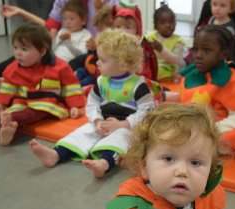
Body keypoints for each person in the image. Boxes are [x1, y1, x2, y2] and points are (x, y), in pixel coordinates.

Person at [96, 103, 227, 209]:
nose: (182, 171)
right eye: (169, 159)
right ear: (144, 166)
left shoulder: (209, 199)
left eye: (195, 162)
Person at [29, 29, 155, 178]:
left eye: (102, 60)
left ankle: (104, 163)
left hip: (128, 127)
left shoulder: (138, 86)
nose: (97, 62)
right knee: (83, 132)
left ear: (122, 64)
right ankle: (56, 154)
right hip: (104, 122)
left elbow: (146, 112)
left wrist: (123, 124)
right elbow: (92, 102)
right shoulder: (102, 81)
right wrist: (97, 120)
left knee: (121, 139)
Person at [0, 23, 86, 146]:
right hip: (22, 100)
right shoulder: (14, 67)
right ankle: (6, 131)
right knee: (9, 113)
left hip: (46, 102)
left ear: (42, 51)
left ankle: (10, 120)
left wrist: (75, 106)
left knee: (26, 115)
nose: (18, 53)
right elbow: (8, 86)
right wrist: (1, 104)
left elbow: (71, 87)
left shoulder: (59, 67)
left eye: (24, 49)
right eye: (15, 48)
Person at [178, 25, 235, 154]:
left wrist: (211, 130)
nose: (198, 55)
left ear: (223, 54)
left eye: (206, 50)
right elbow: (188, 97)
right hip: (204, 121)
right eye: (195, 49)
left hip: (227, 125)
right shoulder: (198, 73)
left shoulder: (234, 81)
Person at [0, 0, 118, 83]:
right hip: (59, 56)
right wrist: (21, 13)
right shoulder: (63, 4)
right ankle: (2, 75)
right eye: (65, 19)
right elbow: (49, 28)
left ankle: (15, 80)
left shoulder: (109, 4)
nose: (67, 22)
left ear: (83, 19)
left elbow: (116, 35)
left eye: (71, 19)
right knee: (30, 52)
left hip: (95, 52)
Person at [193, 0, 235, 66]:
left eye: (222, 5)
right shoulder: (211, 18)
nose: (217, 8)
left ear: (230, 9)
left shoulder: (230, 28)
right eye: (214, 4)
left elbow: (231, 50)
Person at [111, 4, 158, 81]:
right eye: (118, 27)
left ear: (137, 31)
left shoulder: (141, 51)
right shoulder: (110, 48)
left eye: (127, 27)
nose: (122, 31)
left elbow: (146, 75)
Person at [145, 3, 188, 81]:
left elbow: (175, 60)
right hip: (152, 65)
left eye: (171, 22)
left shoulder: (178, 41)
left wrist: (162, 50)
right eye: (163, 23)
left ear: (175, 23)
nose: (168, 25)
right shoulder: (150, 37)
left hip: (168, 68)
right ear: (155, 25)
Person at [75, 6, 113, 86]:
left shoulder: (112, 42)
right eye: (99, 29)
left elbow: (105, 58)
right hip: (90, 68)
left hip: (98, 73)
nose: (99, 33)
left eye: (102, 29)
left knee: (87, 80)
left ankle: (77, 87)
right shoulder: (99, 38)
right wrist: (91, 49)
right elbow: (91, 57)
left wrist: (97, 48)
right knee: (79, 71)